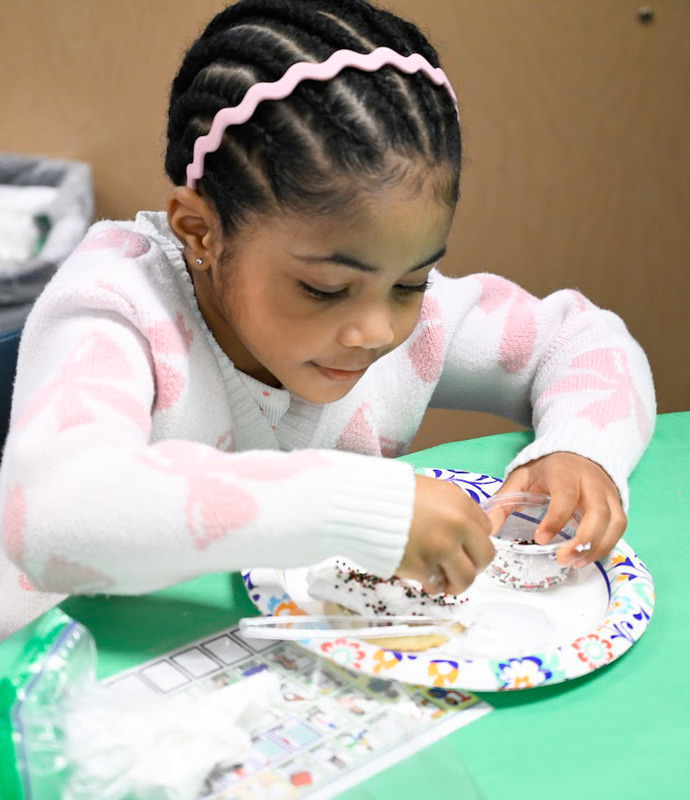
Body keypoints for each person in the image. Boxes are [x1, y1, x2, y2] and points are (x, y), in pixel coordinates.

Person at [0, 0, 655, 602]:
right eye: (324, 289)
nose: (373, 329)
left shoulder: (407, 322)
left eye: (411, 282)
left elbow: (583, 341)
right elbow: (54, 517)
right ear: (201, 232)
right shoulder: (118, 307)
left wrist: (576, 449)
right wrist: (364, 509)